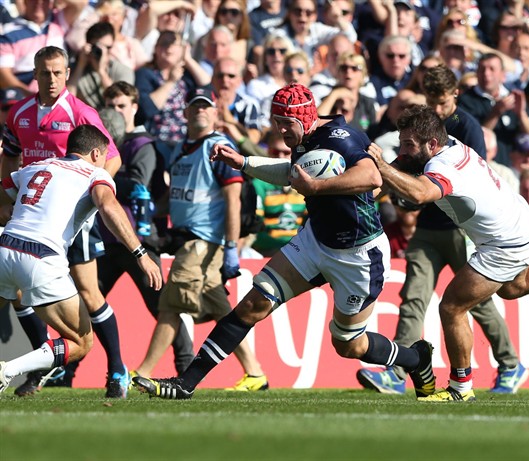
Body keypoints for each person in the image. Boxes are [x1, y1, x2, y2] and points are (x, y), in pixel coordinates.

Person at [132, 83, 436, 400]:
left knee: (348, 344)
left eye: (285, 123)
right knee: (253, 304)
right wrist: (245, 163)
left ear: (304, 118)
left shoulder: (340, 138)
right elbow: (293, 172)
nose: (280, 130)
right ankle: (185, 384)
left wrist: (317, 188)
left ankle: (416, 359)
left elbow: (372, 177)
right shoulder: (305, 140)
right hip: (316, 241)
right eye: (276, 122)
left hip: (359, 254)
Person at [365, 104, 529, 402]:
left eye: (408, 144)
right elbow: (407, 164)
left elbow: (418, 193)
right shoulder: (451, 144)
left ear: (431, 144)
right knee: (512, 287)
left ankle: (460, 388)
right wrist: (371, 185)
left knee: (452, 307)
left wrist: (382, 166)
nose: (402, 150)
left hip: (503, 243)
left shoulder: (440, 167)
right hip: (520, 222)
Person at [357, 65, 528, 396]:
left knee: (475, 303)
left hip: (462, 229)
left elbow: (474, 180)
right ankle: (398, 372)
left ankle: (509, 363)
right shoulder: (420, 126)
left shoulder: (468, 127)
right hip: (428, 227)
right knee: (413, 297)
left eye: (441, 103)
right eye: (430, 101)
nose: (435, 109)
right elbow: (406, 167)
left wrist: (415, 195)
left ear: (455, 95)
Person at [1, 46, 133, 398]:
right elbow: (10, 156)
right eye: (45, 73)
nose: (52, 79)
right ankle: (39, 367)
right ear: (35, 73)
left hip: (74, 217)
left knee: (90, 294)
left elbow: (111, 158)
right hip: (34, 217)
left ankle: (117, 369)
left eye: (58, 72)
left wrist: (91, 197)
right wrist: (8, 200)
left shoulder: (81, 112)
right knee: (18, 293)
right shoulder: (19, 113)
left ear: (68, 73)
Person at [0, 125, 162, 394]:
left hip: (5, 249)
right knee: (81, 341)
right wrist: (140, 254)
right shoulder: (94, 173)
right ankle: (8, 371)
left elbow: (3, 194)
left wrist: (7, 212)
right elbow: (108, 206)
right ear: (97, 153)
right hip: (41, 258)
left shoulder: (39, 166)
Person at [130, 86, 269, 392]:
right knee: (221, 310)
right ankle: (256, 373)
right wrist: (150, 212)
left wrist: (232, 246)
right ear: (186, 113)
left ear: (216, 112)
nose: (201, 111)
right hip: (189, 238)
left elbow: (233, 198)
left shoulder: (218, 147)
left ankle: (141, 372)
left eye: (207, 106)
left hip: (204, 241)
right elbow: (177, 197)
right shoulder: (181, 149)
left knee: (171, 304)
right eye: (196, 106)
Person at [100, 81, 194, 375]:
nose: (117, 111)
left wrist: (102, 174)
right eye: (112, 106)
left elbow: (140, 185)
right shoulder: (105, 145)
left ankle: (186, 366)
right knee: (88, 302)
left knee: (161, 306)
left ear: (135, 108)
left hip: (140, 241)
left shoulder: (143, 145)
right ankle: (66, 371)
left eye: (122, 105)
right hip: (108, 239)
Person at [67, 21, 135, 109]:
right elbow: (66, 101)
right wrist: (80, 66)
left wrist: (101, 71)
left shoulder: (124, 70)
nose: (104, 52)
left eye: (108, 47)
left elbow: (121, 101)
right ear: (89, 46)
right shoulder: (74, 68)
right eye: (98, 47)